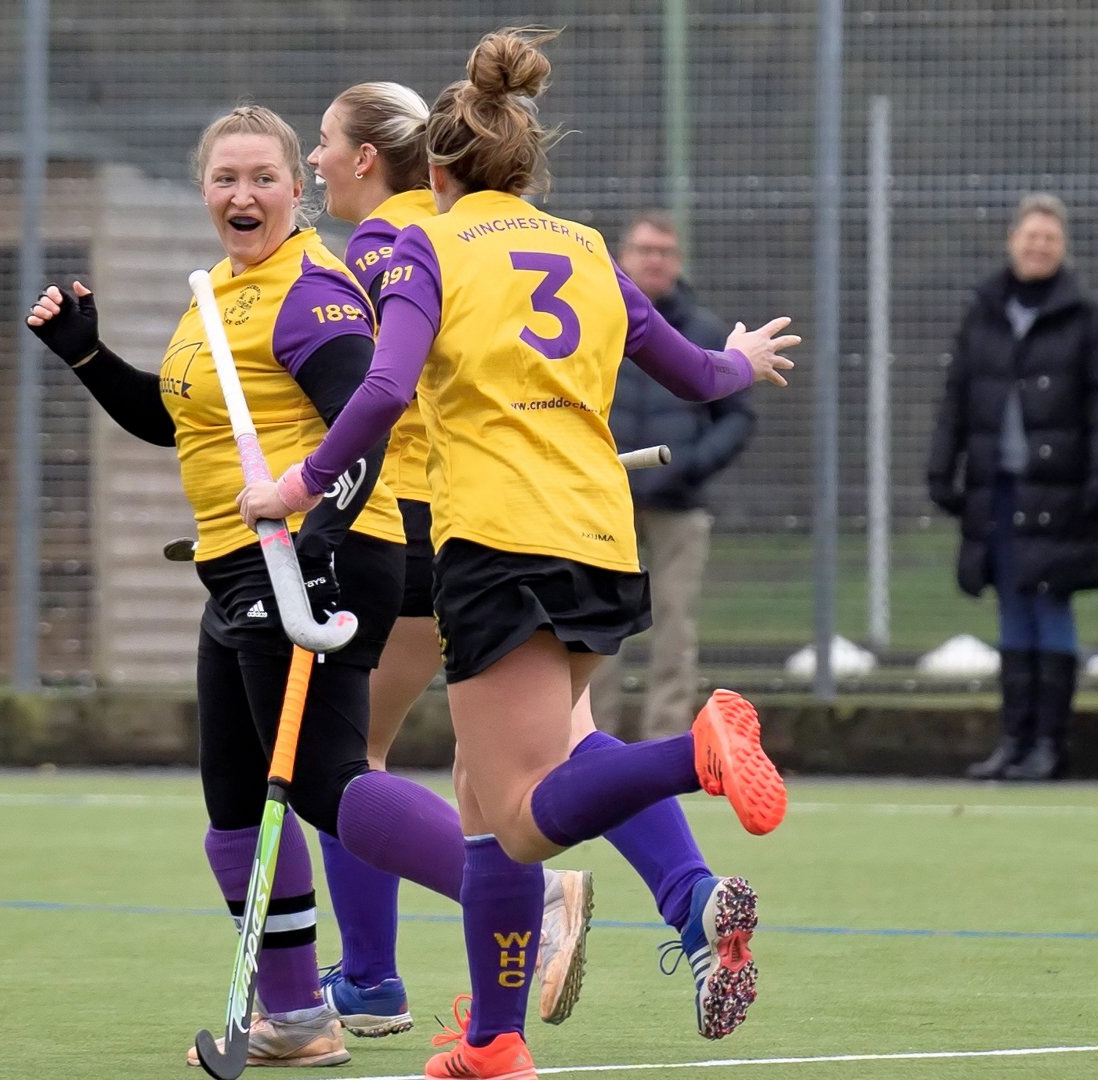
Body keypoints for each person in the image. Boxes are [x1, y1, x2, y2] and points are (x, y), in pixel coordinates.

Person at [238, 29, 798, 1080]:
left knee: (526, 823)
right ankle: (494, 1042)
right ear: (524, 165)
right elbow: (689, 371)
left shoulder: (427, 246)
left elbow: (386, 388)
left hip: (498, 543)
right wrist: (741, 359)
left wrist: (298, 484)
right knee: (482, 805)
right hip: (600, 535)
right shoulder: (588, 247)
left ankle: (700, 754)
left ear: (437, 171)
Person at [27, 104, 482, 1071]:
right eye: (226, 179)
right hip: (238, 564)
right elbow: (172, 419)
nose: (244, 195)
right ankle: (298, 1017)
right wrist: (87, 355)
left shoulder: (309, 292)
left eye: (264, 177)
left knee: (325, 781)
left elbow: (366, 415)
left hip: (314, 552)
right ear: (205, 191)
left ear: (297, 189)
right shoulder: (216, 295)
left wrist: (318, 538)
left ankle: (515, 891)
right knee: (234, 810)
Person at [305, 80, 593, 1035]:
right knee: (511, 765)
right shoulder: (479, 235)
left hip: (412, 524)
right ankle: (379, 983)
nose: (311, 163)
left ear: (367, 159)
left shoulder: (388, 242)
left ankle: (483, 927)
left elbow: (380, 393)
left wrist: (309, 488)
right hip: (493, 520)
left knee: (353, 761)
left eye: (319, 145)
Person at [929, 192, 1098, 782]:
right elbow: (956, 400)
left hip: (1060, 494)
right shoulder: (983, 314)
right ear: (1013, 240)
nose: (1037, 246)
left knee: (1050, 610)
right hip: (999, 493)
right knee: (1012, 614)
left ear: (1061, 248)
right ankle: (1013, 742)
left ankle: (1049, 746)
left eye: (1049, 238)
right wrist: (943, 470)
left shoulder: (1087, 322)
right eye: (1029, 236)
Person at [591, 211, 755, 738]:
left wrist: (690, 467)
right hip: (602, 497)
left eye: (665, 252)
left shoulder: (705, 330)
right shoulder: (593, 317)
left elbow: (737, 415)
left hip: (678, 503)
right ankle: (594, 743)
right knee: (597, 625)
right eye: (645, 250)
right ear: (623, 256)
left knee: (675, 627)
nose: (655, 260)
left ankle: (665, 741)